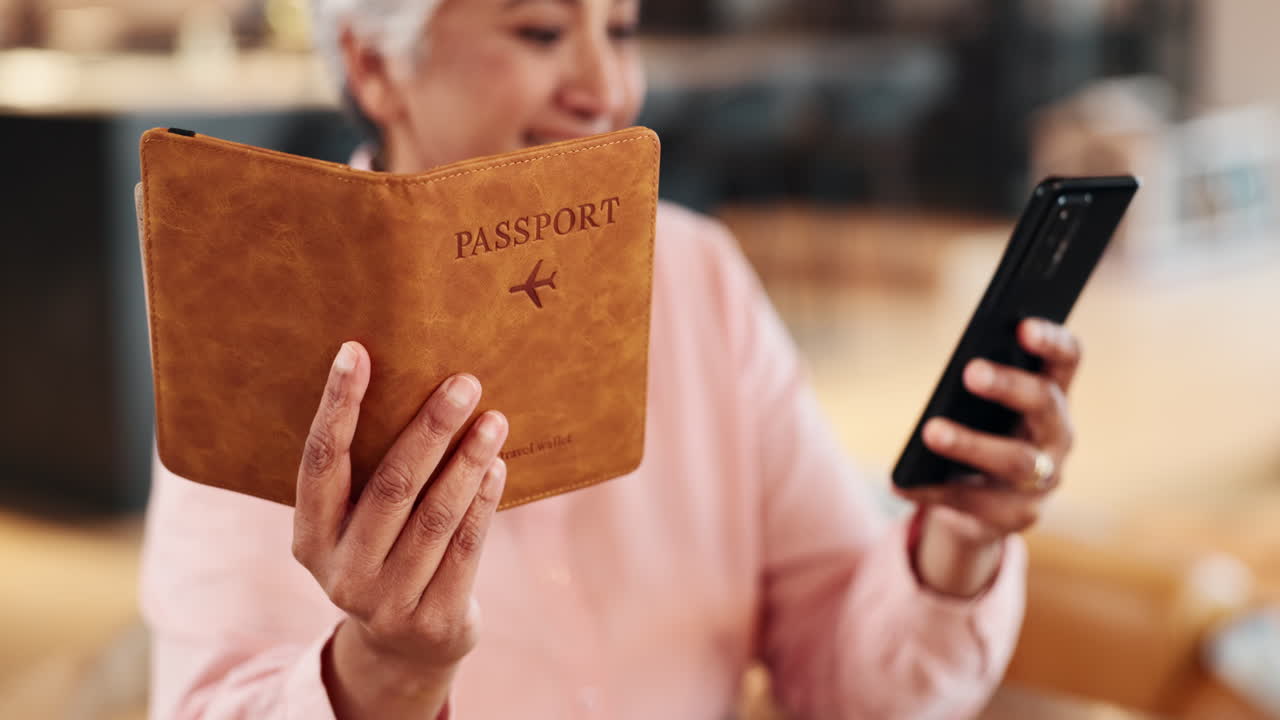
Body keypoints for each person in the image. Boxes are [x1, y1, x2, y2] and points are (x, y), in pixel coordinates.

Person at [140, 0, 1084, 717]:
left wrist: (961, 540)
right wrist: (383, 673)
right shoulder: (264, 332)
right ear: (375, 63)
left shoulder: (698, 279)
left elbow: (849, 682)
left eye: (623, 29)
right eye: (543, 31)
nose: (605, 86)